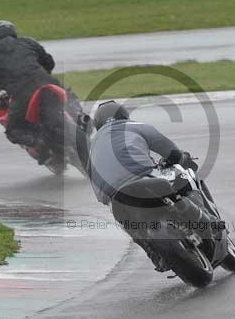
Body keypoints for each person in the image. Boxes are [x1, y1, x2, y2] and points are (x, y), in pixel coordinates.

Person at [88, 100, 214, 271]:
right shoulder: (135, 126)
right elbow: (172, 152)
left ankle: (154, 254)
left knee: (131, 225)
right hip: (143, 177)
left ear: (98, 124)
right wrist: (181, 158)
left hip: (114, 195)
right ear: (124, 115)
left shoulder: (93, 146)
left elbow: (96, 187)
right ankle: (206, 222)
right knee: (178, 183)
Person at [0, 20, 67, 161]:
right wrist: (43, 73)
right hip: (48, 84)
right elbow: (49, 62)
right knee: (65, 93)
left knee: (13, 131)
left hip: (23, 95)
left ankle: (41, 144)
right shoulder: (27, 43)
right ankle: (80, 117)